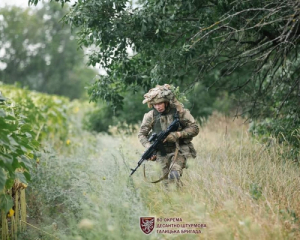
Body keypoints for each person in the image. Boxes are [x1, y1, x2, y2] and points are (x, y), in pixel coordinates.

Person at [138, 84, 199, 186]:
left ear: (166, 102)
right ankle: (180, 197)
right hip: (161, 153)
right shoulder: (150, 116)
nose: (158, 107)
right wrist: (150, 148)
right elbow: (141, 134)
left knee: (174, 174)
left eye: (160, 103)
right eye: (155, 104)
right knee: (167, 184)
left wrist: (177, 134)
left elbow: (195, 128)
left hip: (179, 149)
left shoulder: (179, 112)